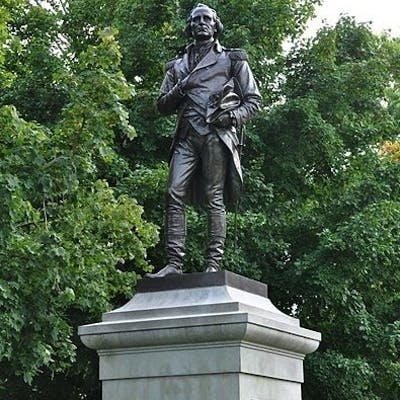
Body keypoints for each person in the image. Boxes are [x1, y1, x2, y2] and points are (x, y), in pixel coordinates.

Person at [146, 3, 262, 278]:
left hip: (215, 136)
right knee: (173, 192)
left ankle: (213, 264)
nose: (201, 23)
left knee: (214, 197)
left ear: (215, 24)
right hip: (186, 136)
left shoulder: (232, 59)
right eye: (195, 19)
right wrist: (181, 87)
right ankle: (174, 264)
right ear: (189, 26)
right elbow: (162, 105)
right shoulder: (177, 65)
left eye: (206, 19)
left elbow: (253, 101)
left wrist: (231, 117)